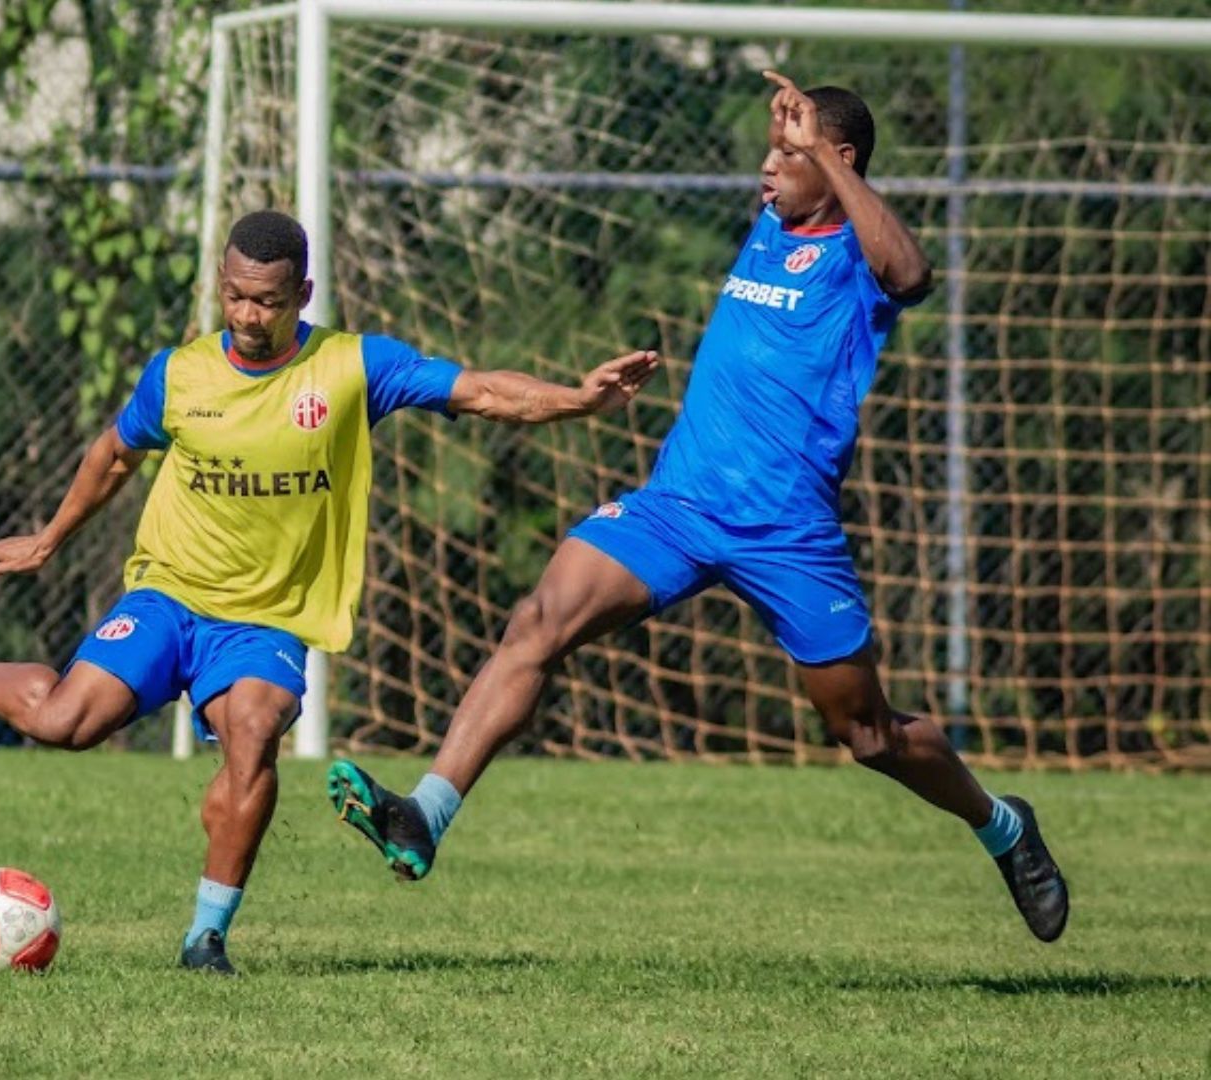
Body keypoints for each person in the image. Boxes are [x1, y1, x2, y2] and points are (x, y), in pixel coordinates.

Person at [0, 209, 661, 975]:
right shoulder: (179, 376)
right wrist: (48, 537)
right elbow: (114, 453)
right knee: (64, 722)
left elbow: (480, 391)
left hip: (266, 619)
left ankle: (205, 937)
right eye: (235, 297)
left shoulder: (351, 367)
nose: (249, 317)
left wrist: (578, 401)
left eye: (267, 300)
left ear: (303, 292)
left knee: (252, 733)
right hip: (168, 594)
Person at [326, 74, 1069, 943]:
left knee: (866, 734)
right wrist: (801, 147)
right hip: (676, 507)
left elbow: (912, 272)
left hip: (788, 533)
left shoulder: (862, 262)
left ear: (841, 161)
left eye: (787, 154)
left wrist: (823, 157)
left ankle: (1003, 828)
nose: (766, 166)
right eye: (770, 148)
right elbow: (795, 188)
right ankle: (426, 813)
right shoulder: (772, 223)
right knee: (539, 621)